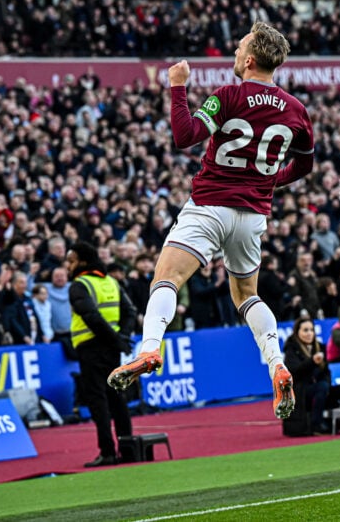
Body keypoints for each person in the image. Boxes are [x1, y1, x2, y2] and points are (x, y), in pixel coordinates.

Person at [108, 21, 315, 422]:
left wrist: (178, 86)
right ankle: (276, 364)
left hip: (209, 206)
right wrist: (272, 182)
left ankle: (150, 348)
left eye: (239, 49)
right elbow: (304, 164)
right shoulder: (296, 110)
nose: (235, 54)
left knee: (165, 278)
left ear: (250, 58)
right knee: (245, 297)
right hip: (252, 217)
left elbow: (185, 136)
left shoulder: (229, 95)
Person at [67, 242, 137, 467]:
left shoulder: (79, 285)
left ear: (83, 262)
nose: (68, 266)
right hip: (112, 348)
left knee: (98, 401)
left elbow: (91, 317)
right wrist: (122, 338)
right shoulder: (111, 282)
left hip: (91, 347)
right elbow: (130, 312)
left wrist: (118, 340)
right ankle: (128, 450)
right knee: (117, 398)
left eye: (72, 261)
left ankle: (107, 452)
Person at [283, 317, 335, 436]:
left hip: (318, 386)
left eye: (311, 330)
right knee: (321, 387)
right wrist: (312, 361)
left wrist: (327, 383)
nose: (309, 333)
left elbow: (326, 372)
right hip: (300, 390)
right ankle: (316, 424)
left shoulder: (320, 347)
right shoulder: (291, 350)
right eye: (305, 330)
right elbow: (295, 371)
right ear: (297, 332)